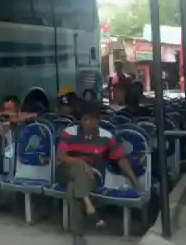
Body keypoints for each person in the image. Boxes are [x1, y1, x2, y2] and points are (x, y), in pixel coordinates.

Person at [57, 101, 138, 244]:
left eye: (91, 119)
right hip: (66, 170)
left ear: (98, 119)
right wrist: (80, 163)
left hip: (92, 176)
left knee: (74, 186)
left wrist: (134, 181)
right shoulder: (69, 132)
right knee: (78, 168)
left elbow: (120, 159)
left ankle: (78, 234)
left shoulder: (106, 136)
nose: (88, 122)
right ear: (81, 119)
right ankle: (89, 207)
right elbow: (61, 155)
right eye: (85, 119)